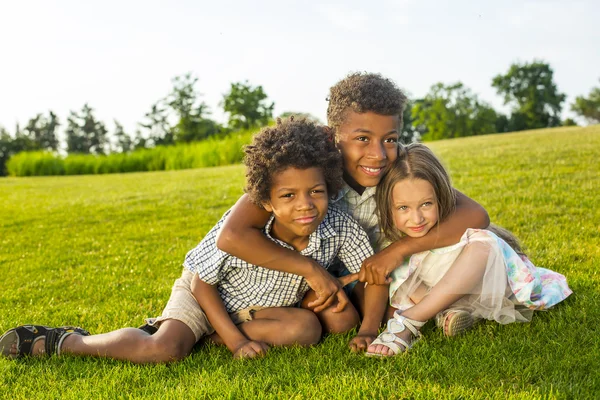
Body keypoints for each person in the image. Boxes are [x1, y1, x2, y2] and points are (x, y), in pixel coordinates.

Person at [0, 118, 387, 362]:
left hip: (261, 312)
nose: (306, 206)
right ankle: (65, 343)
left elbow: (372, 276)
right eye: (288, 196)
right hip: (206, 298)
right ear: (265, 200)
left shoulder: (338, 226)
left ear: (330, 187)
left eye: (316, 192)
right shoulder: (245, 232)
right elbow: (202, 283)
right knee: (164, 350)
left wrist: (368, 326)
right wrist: (235, 342)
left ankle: (207, 340)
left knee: (307, 330)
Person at [216, 72, 491, 352]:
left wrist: (397, 250)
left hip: (379, 269)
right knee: (351, 316)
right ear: (331, 135)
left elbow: (476, 215)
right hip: (320, 275)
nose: (378, 155)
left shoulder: (398, 166)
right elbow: (233, 235)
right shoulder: (309, 169)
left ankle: (450, 308)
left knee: (443, 265)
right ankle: (446, 308)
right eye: (362, 138)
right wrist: (311, 270)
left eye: (390, 139)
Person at [365, 143, 572, 356]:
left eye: (426, 204)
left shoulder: (460, 230)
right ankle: (446, 311)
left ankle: (410, 320)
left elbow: (484, 235)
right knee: (394, 269)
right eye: (403, 208)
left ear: (441, 197)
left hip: (487, 283)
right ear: (387, 207)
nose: (417, 218)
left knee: (485, 242)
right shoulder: (395, 244)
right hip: (444, 292)